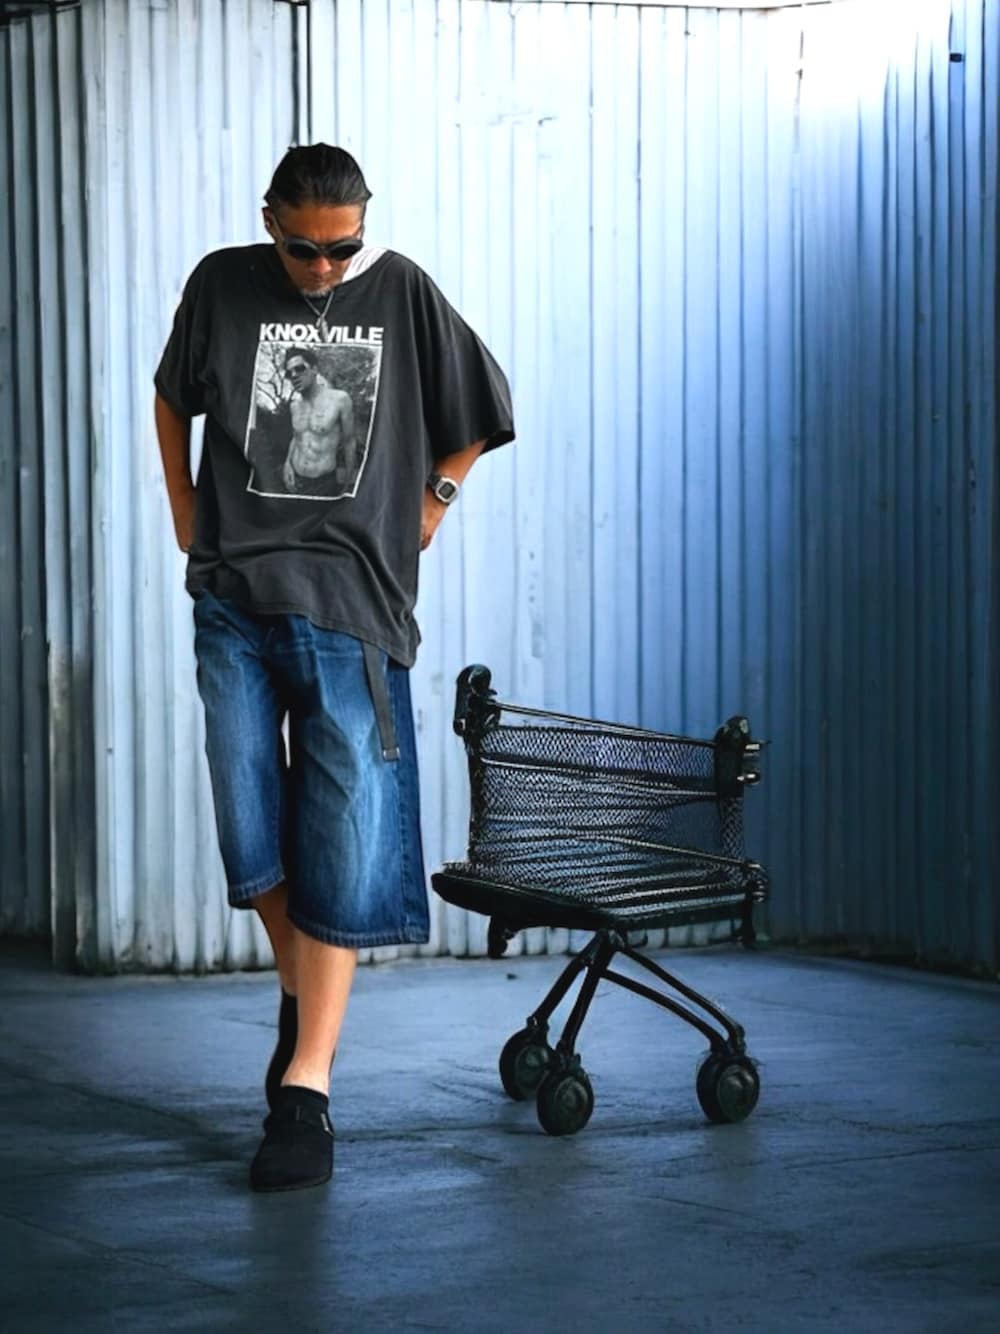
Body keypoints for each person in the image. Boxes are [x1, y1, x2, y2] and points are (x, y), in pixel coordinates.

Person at [154, 144, 515, 1193]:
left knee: (345, 833)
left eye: (341, 249)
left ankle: (304, 1089)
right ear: (271, 220)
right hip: (234, 593)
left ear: (363, 226)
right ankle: (298, 983)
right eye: (305, 249)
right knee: (249, 823)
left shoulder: (400, 292)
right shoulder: (223, 284)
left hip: (354, 605)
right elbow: (172, 395)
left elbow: (484, 409)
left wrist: (436, 497)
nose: (324, 268)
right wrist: (184, 508)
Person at [280, 348, 357, 493]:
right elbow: (296, 437)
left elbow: (349, 441)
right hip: (296, 478)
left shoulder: (340, 399)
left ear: (314, 369)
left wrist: (348, 482)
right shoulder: (294, 406)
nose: (294, 375)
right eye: (289, 373)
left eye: (299, 369)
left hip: (324, 483)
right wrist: (287, 464)